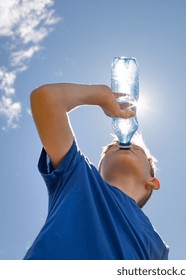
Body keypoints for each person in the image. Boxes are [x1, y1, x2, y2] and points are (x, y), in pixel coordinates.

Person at [24, 83, 169, 260]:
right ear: (99, 172)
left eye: (138, 150)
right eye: (110, 148)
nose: (121, 144)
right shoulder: (79, 177)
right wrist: (100, 95)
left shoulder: (156, 245)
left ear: (152, 182)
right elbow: (47, 97)